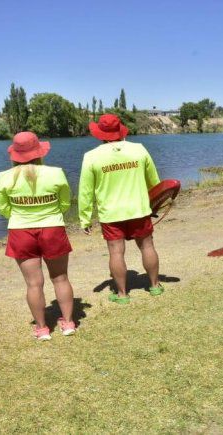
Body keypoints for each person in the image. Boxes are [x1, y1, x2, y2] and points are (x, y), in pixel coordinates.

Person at [0, 131, 77, 340]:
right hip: (52, 228)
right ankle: (68, 323)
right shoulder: (56, 173)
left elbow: (2, 208)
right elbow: (66, 202)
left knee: (33, 283)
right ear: (39, 152)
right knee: (60, 278)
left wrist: (20, 216)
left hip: (21, 231)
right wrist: (51, 213)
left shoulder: (4, 177)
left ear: (15, 154)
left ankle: (42, 329)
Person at [78, 114, 164, 304]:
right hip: (139, 210)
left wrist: (85, 218)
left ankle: (123, 294)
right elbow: (154, 181)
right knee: (147, 246)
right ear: (120, 131)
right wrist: (158, 203)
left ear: (100, 134)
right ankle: (155, 286)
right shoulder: (139, 149)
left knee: (116, 252)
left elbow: (85, 192)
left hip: (111, 213)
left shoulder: (91, 156)